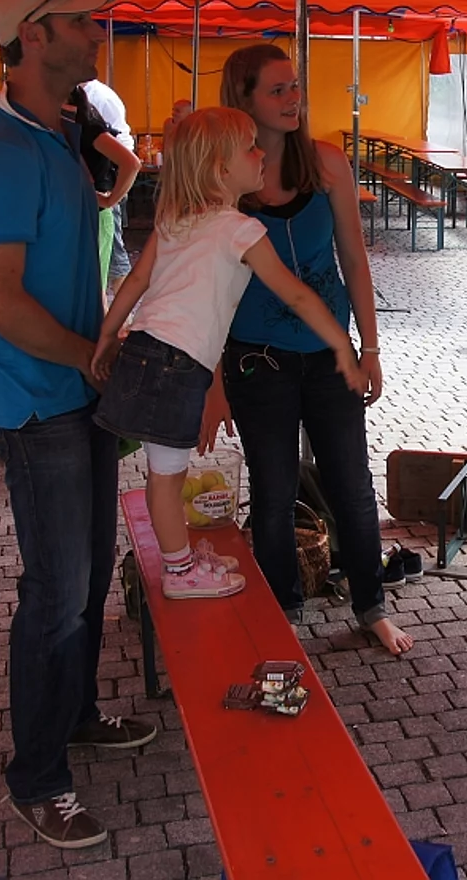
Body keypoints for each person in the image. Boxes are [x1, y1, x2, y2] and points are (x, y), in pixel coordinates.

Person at [0, 0, 154, 851]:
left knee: (85, 580)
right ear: (32, 36)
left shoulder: (59, 130)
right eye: (82, 22)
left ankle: (76, 716)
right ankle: (37, 778)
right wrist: (88, 356)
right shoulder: (4, 153)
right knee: (56, 591)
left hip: (77, 392)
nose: (98, 33)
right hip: (40, 405)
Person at [93, 107, 367, 599]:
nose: (261, 154)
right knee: (167, 477)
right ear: (221, 170)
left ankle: (179, 559)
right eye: (250, 148)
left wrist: (108, 335)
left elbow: (135, 281)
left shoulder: (176, 220)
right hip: (177, 364)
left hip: (147, 352)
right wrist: (342, 345)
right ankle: (179, 571)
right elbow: (298, 295)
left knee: (164, 473)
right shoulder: (241, 229)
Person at [198, 44, 413, 656]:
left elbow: (355, 260)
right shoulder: (224, 175)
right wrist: (212, 382)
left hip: (328, 356)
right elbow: (208, 287)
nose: (293, 99)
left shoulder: (327, 164)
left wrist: (371, 347)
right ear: (244, 100)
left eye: (295, 87)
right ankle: (283, 612)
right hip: (255, 360)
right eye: (277, 90)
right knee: (272, 492)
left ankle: (371, 605)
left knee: (352, 484)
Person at [66, 82, 141, 294]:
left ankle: (120, 313)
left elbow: (131, 162)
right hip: (83, 209)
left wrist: (110, 199)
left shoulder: (89, 125)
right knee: (91, 283)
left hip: (98, 208)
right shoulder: (68, 125)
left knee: (100, 279)